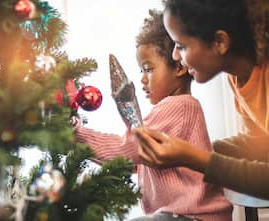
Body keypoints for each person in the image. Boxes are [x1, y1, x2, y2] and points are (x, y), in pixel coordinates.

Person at [74, 10, 232, 221]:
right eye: (140, 71)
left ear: (178, 67)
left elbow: (127, 149)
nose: (142, 80)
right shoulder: (177, 108)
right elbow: (134, 160)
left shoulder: (178, 106)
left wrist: (75, 134)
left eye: (148, 69)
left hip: (193, 216)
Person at [135, 0, 269, 200]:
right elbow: (261, 146)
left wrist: (194, 157)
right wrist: (196, 147)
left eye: (181, 46)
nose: (175, 56)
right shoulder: (238, 75)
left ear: (220, 42)